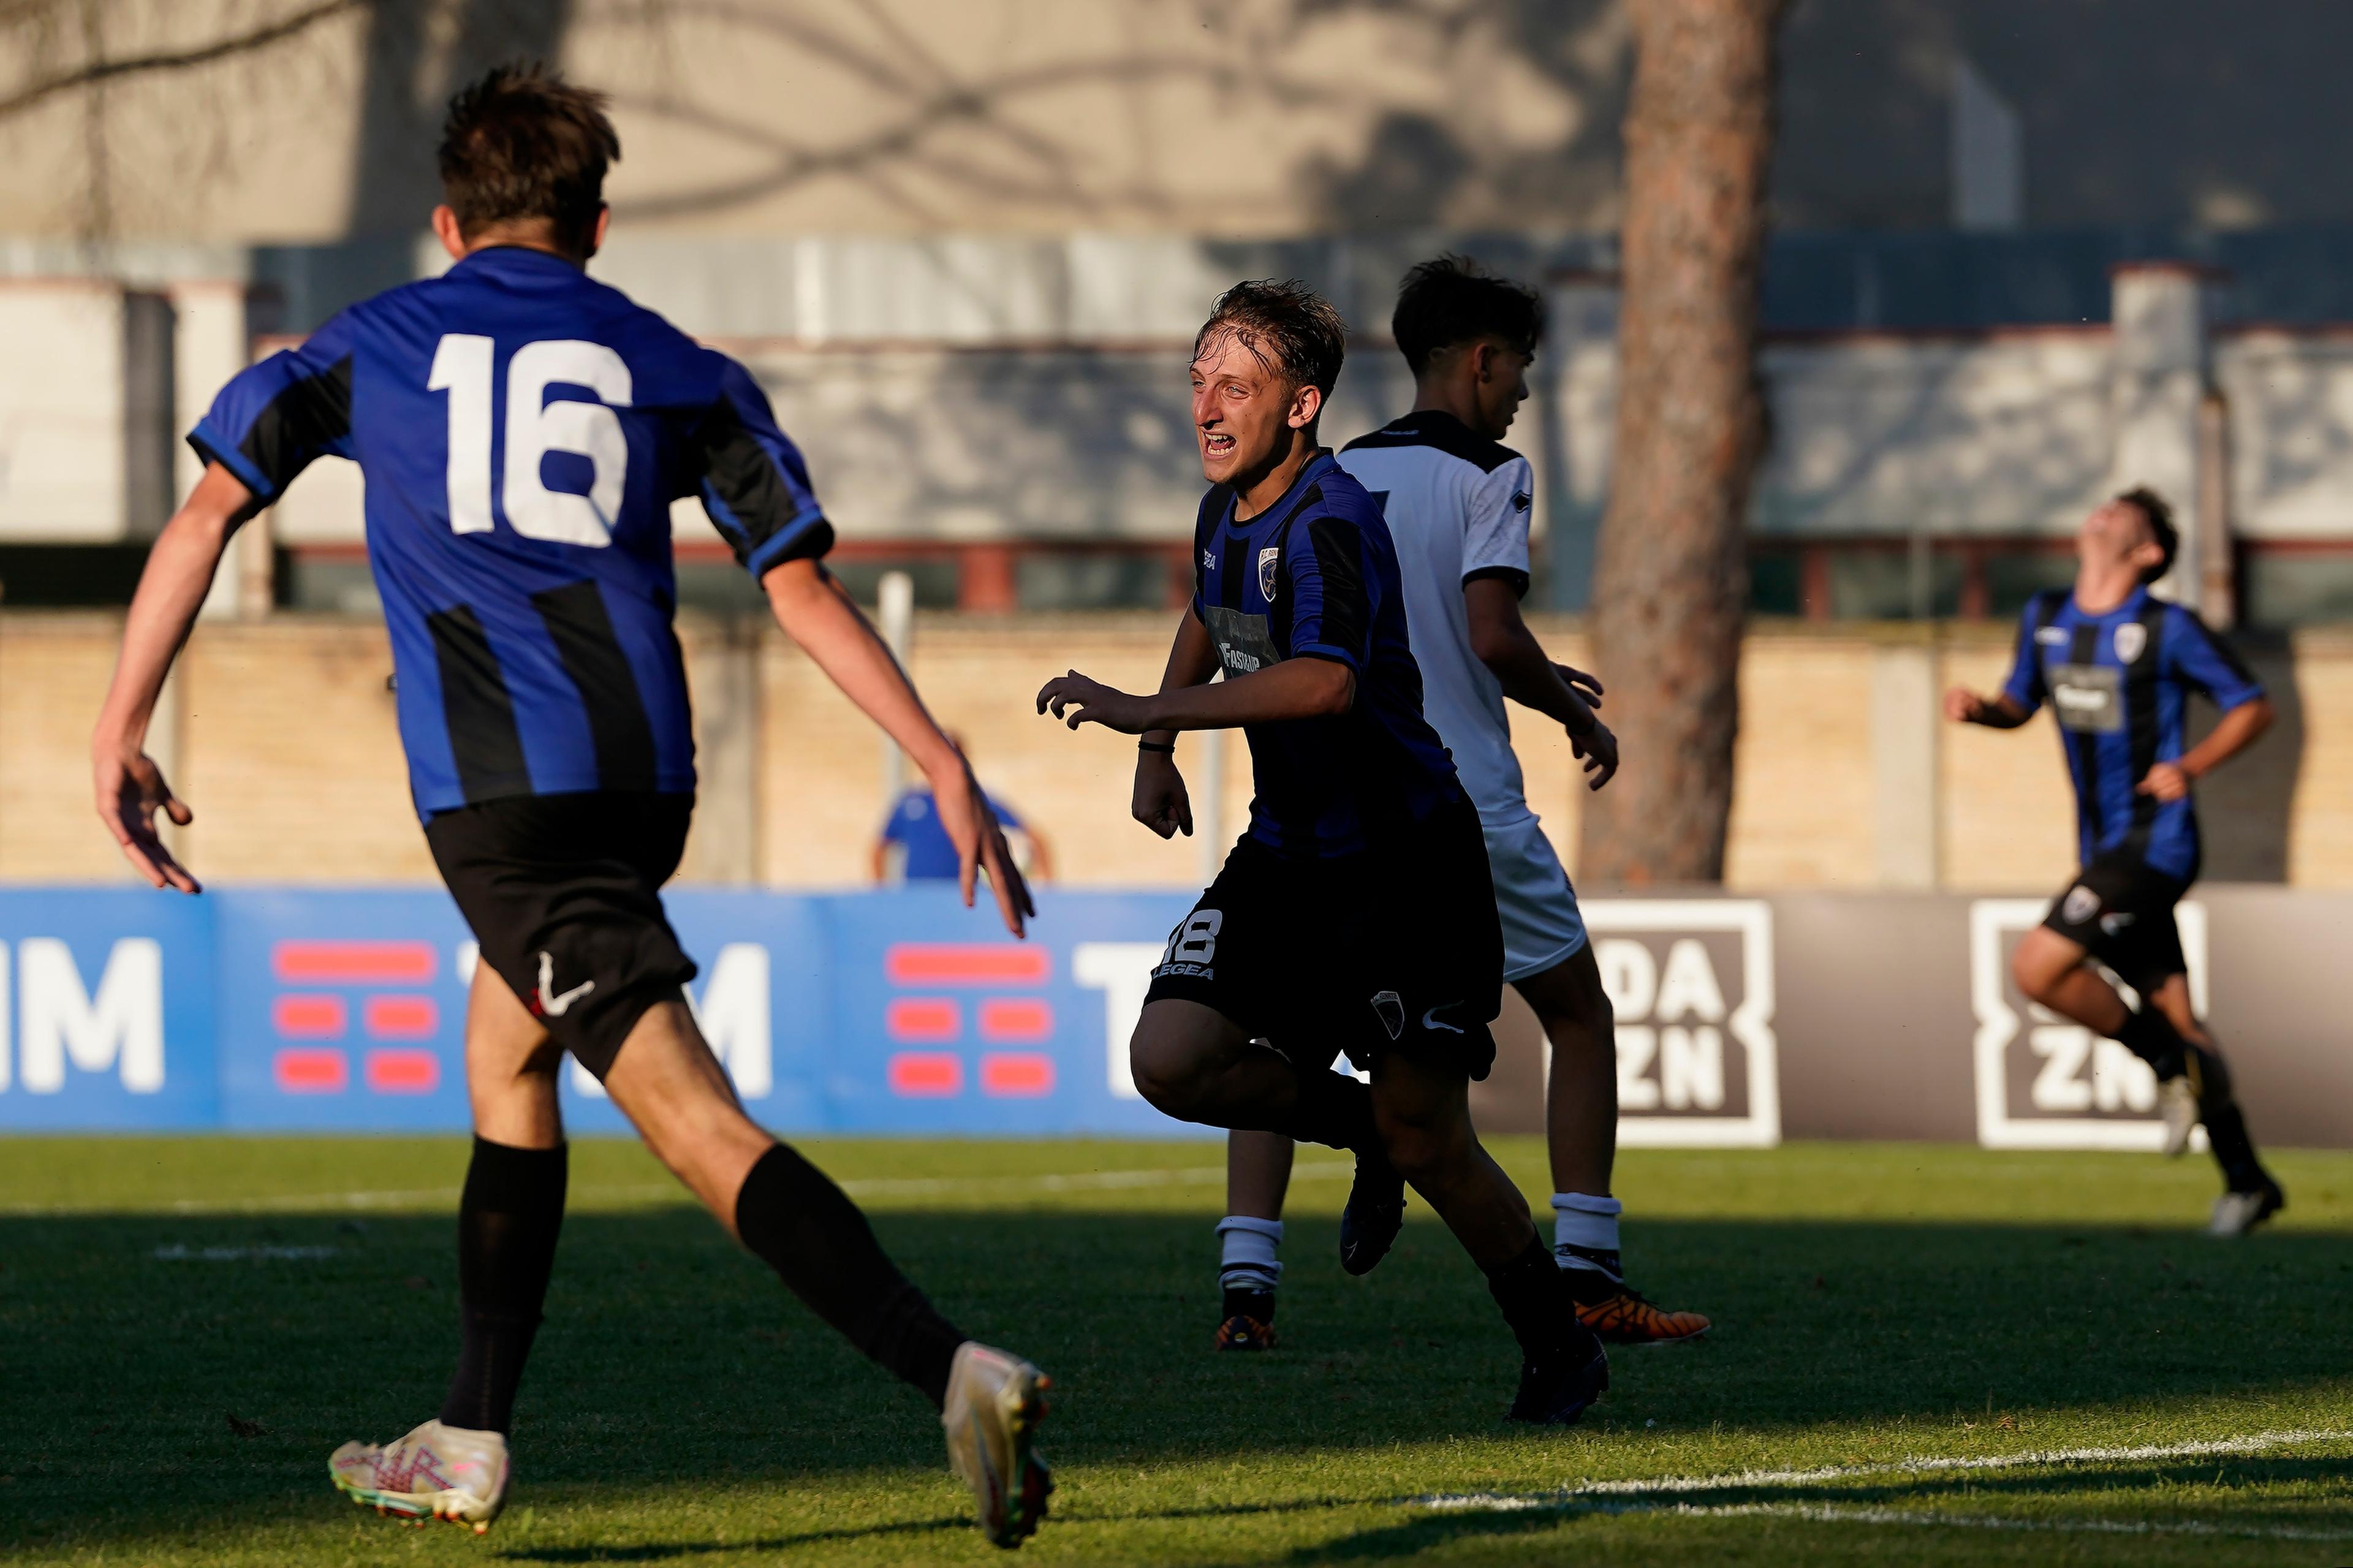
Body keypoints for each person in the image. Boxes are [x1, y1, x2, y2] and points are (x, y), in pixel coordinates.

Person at [89, 66, 1051, 1547]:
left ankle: (952, 1366)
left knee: (689, 1117)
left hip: (504, 799)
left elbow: (211, 503)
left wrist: (120, 721)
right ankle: (470, 1429)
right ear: (595, 224)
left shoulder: (368, 344)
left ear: (443, 222)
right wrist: (934, 751)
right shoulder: (679, 364)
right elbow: (794, 579)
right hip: (641, 782)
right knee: (504, 1055)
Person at [1036, 279, 1610, 1424]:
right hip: (1290, 854)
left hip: (1406, 865)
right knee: (1172, 1056)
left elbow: (1327, 682)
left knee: (1434, 1138)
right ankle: (1360, 1134)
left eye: (1234, 385)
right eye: (1199, 379)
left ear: (1300, 405)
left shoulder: (1333, 516)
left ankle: (1558, 1339)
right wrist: (1159, 736)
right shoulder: (1228, 507)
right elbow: (1212, 604)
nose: (1206, 403)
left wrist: (1136, 709)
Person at [1211, 257, 1711, 1354]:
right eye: (1519, 370)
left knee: (1277, 1031)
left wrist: (1159, 731)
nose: (1522, 393)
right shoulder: (1493, 472)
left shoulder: (1325, 470)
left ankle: (1247, 1278)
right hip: (1462, 802)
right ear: (1480, 360)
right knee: (1578, 1015)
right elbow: (1488, 630)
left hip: (1341, 806)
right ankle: (1587, 1269)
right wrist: (1570, 708)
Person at [1946, 488, 2283, 1237]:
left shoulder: (2167, 627)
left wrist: (2190, 766)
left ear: (2150, 552)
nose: (2101, 511)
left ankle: (2163, 1065)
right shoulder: (2044, 615)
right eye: (2100, 505)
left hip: (2155, 845)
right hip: (2103, 848)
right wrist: (1983, 712)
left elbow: (2253, 705)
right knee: (2180, 1016)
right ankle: (2249, 1182)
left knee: (2037, 968)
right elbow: (2019, 703)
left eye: (2121, 512)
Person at [874, 738, 1053, 884]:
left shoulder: (978, 800)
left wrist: (1047, 885)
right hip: (918, 897)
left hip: (963, 896)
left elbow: (1034, 837)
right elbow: (879, 846)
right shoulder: (910, 803)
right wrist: (880, 890)